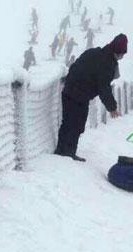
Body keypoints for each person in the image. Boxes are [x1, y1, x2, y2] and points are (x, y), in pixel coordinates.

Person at [55, 34, 128, 162]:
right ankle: (68, 153)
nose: (123, 56)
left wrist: (69, 80)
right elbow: (103, 87)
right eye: (122, 53)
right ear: (118, 51)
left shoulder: (94, 52)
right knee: (76, 124)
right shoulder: (107, 63)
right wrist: (112, 107)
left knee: (68, 122)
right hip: (79, 96)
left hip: (69, 91)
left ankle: (62, 151)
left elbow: (75, 66)